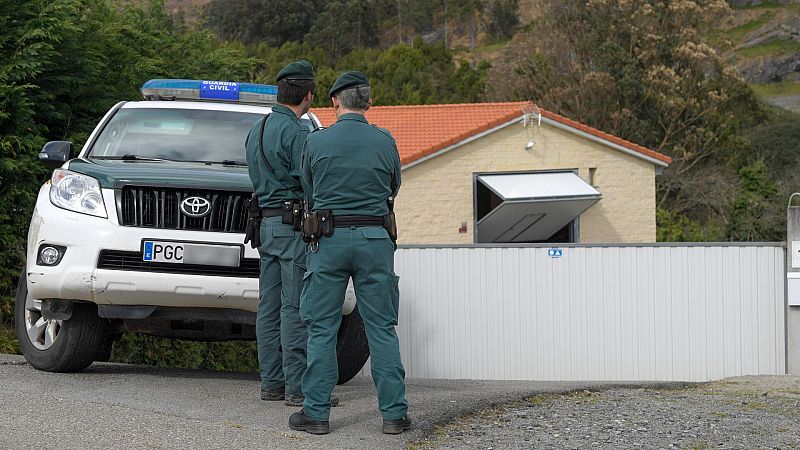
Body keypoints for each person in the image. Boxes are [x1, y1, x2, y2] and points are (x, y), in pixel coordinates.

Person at [289, 71, 410, 435]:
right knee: (381, 328)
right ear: (369, 103)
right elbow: (394, 185)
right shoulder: (384, 141)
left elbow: (307, 187)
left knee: (322, 328)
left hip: (329, 239)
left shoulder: (317, 141)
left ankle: (316, 414)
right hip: (375, 239)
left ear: (334, 103)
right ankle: (393, 415)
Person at [245, 60, 338, 408]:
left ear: (280, 91)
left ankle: (271, 383)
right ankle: (298, 388)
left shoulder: (257, 128)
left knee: (267, 307)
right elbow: (312, 181)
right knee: (296, 307)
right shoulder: (298, 132)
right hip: (292, 226)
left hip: (265, 226)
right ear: (309, 95)